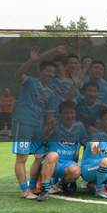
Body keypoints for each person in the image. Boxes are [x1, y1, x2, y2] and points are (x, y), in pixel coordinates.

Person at [13, 46, 65, 199]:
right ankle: (24, 191)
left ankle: (32, 187)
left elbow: (49, 115)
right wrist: (31, 60)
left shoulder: (50, 93)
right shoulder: (30, 82)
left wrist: (51, 125)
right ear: (40, 72)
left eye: (53, 72)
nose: (50, 74)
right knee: (22, 158)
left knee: (40, 156)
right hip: (23, 124)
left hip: (38, 128)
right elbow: (18, 74)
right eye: (47, 71)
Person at [44, 100, 87, 198]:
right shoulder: (54, 125)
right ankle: (44, 188)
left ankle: (59, 184)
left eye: (72, 113)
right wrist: (49, 127)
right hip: (52, 162)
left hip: (68, 164)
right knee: (52, 155)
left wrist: (84, 162)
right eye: (66, 113)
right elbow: (42, 138)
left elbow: (85, 144)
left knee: (76, 171)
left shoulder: (80, 127)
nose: (69, 116)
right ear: (60, 114)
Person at [80, 108, 107, 199]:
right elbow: (94, 146)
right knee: (106, 160)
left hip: (101, 166)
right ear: (101, 121)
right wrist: (95, 144)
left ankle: (92, 184)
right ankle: (100, 189)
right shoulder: (95, 135)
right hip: (89, 169)